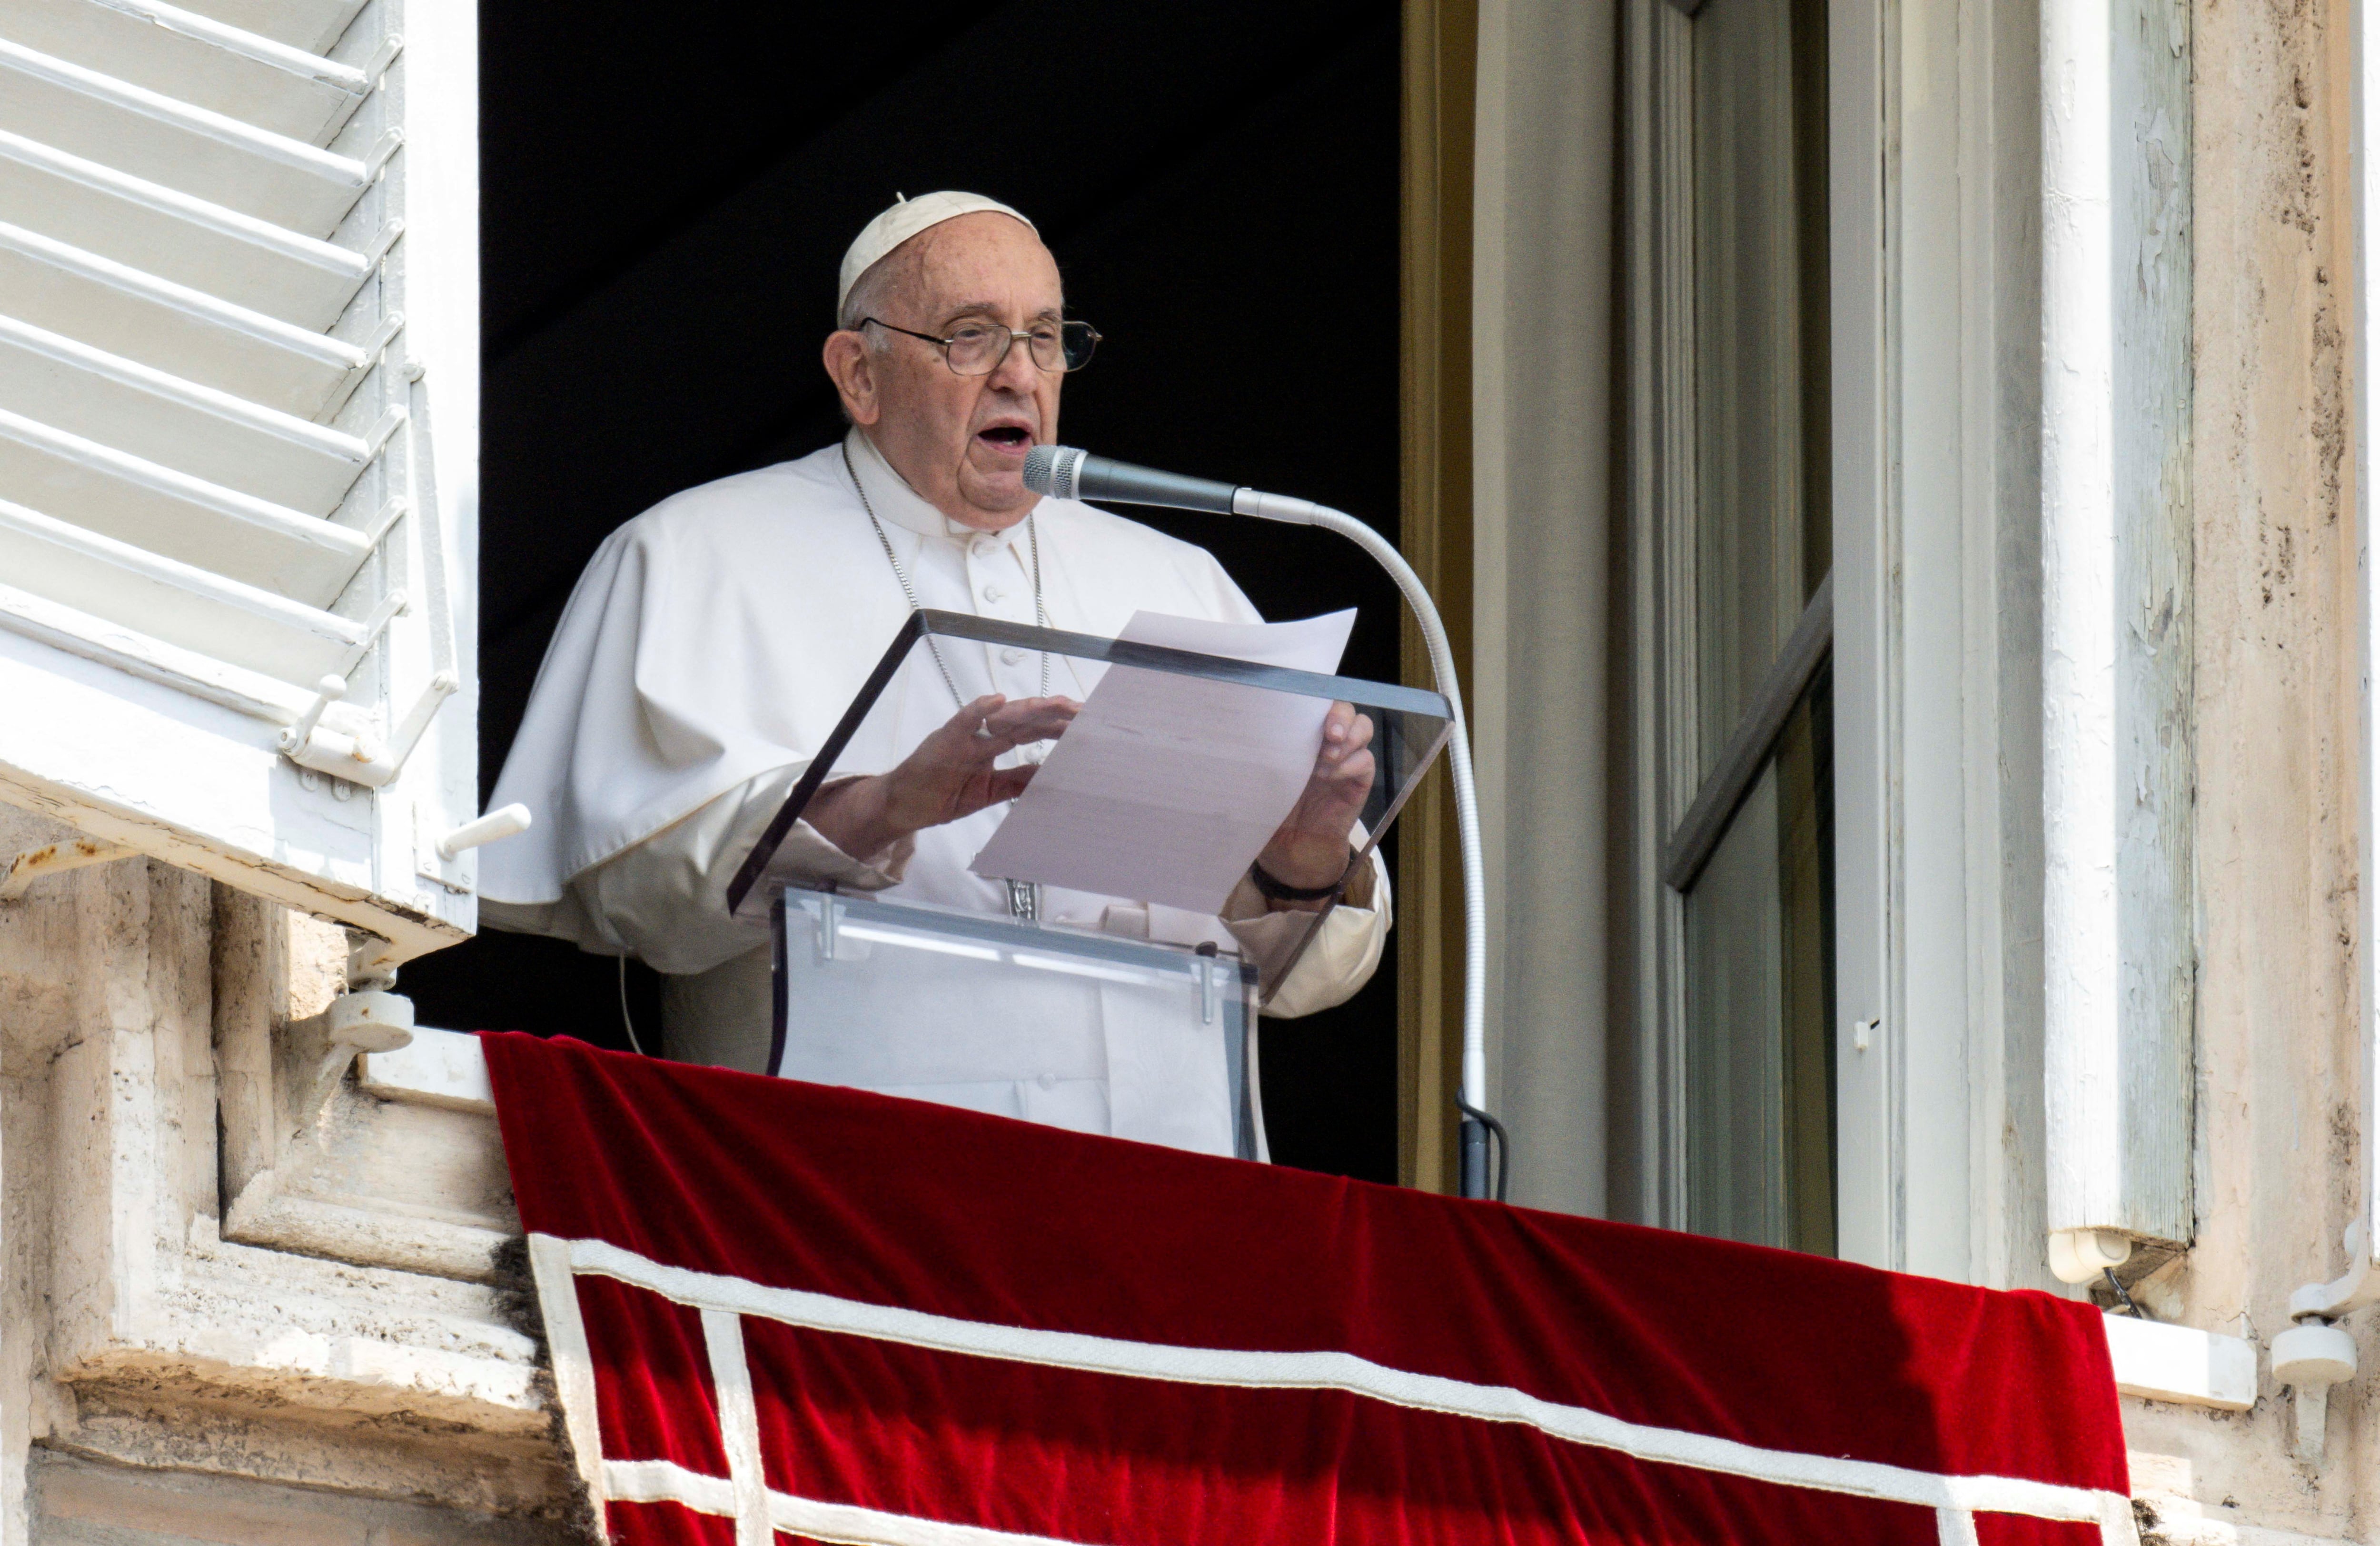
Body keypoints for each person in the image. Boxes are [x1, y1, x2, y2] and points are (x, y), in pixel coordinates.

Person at [479, 192, 1390, 1139]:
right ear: (858, 373)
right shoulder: (693, 553)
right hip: (831, 1189)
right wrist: (880, 808)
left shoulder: (1177, 581)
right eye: (970, 336)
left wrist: (1306, 856)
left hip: (1160, 1197)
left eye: (1044, 338)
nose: (1017, 375)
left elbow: (1308, 983)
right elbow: (638, 902)